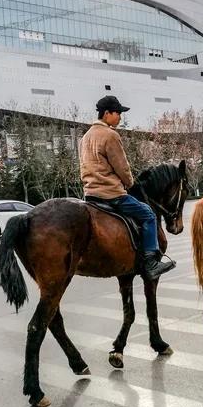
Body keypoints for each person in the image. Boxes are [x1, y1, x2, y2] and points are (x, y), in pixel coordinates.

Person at [79, 95, 175, 281]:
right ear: (107, 113)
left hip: (90, 194)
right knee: (148, 214)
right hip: (111, 194)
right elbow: (122, 167)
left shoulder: (85, 136)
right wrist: (130, 183)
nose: (120, 117)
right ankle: (151, 262)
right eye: (118, 113)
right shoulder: (110, 135)